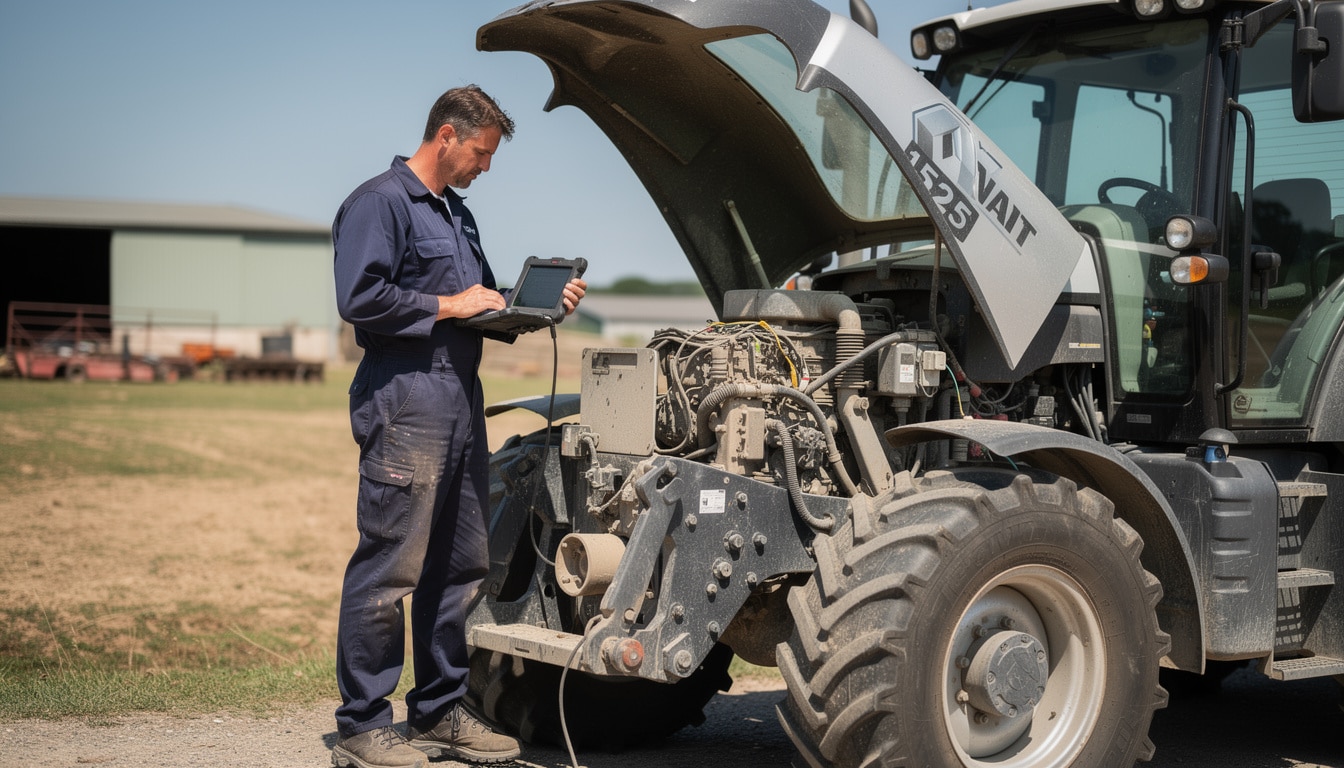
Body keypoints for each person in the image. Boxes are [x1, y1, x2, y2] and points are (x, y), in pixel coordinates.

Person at [330, 85, 586, 768]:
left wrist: (537, 305)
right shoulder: (379, 203)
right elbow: (360, 298)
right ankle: (362, 725)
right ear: (447, 135)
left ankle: (440, 711)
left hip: (460, 402)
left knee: (459, 564)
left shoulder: (457, 215)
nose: (486, 166)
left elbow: (481, 306)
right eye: (482, 152)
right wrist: (449, 301)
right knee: (391, 566)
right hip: (406, 399)